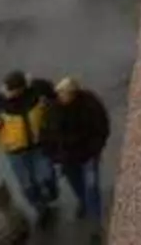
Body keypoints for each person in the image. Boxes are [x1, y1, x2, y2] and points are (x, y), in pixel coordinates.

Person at [0, 71, 59, 225]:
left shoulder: (38, 91)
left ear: (21, 89)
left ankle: (51, 193)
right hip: (16, 153)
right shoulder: (1, 105)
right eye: (7, 89)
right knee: (27, 186)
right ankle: (41, 209)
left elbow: (55, 99)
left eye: (11, 90)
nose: (7, 93)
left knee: (45, 176)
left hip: (39, 146)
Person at [44, 77, 111, 226]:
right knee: (76, 184)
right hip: (67, 157)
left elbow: (102, 126)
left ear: (74, 93)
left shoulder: (89, 103)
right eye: (60, 94)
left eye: (65, 94)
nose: (62, 97)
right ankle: (83, 201)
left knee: (91, 186)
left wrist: (95, 148)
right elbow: (47, 132)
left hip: (88, 154)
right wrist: (53, 155)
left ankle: (95, 221)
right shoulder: (52, 108)